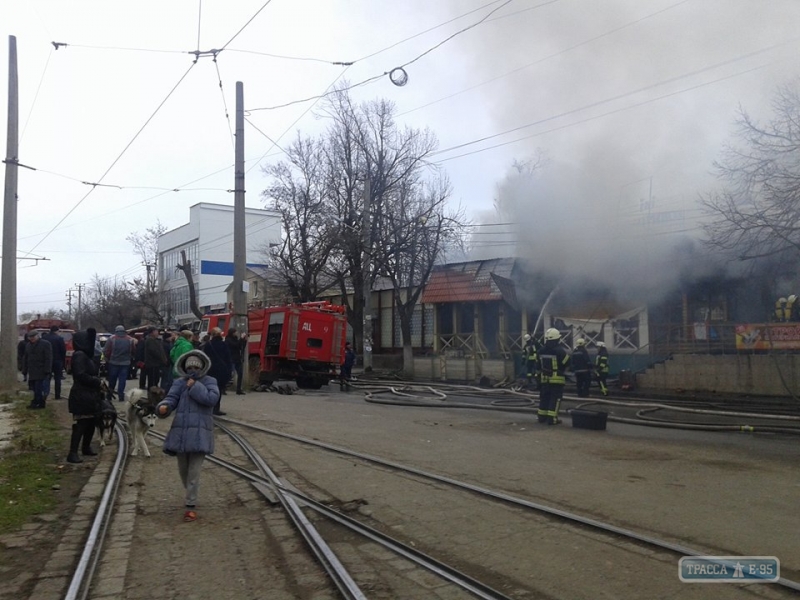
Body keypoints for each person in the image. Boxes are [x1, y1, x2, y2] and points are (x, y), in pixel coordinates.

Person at [156, 350, 220, 522]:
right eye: (190, 366)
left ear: (202, 367)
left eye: (196, 366)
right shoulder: (179, 383)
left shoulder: (210, 381)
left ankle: (190, 505)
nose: (193, 369)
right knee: (183, 471)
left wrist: (195, 386)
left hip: (200, 434)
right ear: (184, 367)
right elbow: (171, 399)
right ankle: (191, 492)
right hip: (182, 433)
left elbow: (211, 399)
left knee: (194, 472)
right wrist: (164, 407)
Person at [67, 328, 103, 463]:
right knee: (82, 423)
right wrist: (96, 381)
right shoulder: (79, 355)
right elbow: (80, 375)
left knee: (91, 422)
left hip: (89, 393)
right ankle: (72, 452)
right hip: (81, 394)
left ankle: (86, 447)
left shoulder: (85, 355)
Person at [537, 328, 569, 425]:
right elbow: (567, 363)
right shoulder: (560, 351)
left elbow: (537, 365)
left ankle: (542, 418)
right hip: (557, 380)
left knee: (544, 398)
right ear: (557, 339)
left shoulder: (541, 350)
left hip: (544, 379)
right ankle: (552, 419)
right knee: (555, 399)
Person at [203, 327, 232, 414]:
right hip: (222, 371)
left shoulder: (208, 345)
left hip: (210, 370)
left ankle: (208, 406)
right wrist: (229, 370)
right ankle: (216, 408)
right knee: (218, 389)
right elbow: (228, 358)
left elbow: (205, 357)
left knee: (209, 388)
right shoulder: (224, 345)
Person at [104, 325, 136, 402]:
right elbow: (133, 350)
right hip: (125, 363)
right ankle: (121, 396)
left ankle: (109, 395)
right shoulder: (130, 339)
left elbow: (106, 350)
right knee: (122, 380)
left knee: (112, 380)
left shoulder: (112, 338)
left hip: (113, 362)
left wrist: (107, 358)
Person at [23, 330, 52, 410]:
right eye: (30, 337)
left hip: (41, 369)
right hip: (32, 370)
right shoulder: (28, 345)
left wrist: (47, 369)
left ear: (37, 336)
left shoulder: (45, 344)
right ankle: (38, 402)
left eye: (33, 337)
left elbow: (48, 358)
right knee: (34, 388)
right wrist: (24, 369)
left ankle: (38, 402)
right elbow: (26, 358)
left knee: (39, 387)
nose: (32, 339)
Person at [42, 325, 67, 400]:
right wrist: (63, 361)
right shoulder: (59, 338)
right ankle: (57, 395)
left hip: (47, 361)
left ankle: (45, 393)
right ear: (56, 331)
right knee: (58, 378)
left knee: (46, 377)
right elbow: (63, 350)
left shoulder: (44, 338)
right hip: (57, 360)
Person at [225, 327, 247, 395]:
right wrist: (241, 338)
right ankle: (223, 388)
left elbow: (240, 347)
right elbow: (235, 345)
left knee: (240, 373)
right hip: (231, 358)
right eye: (235, 332)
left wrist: (244, 340)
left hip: (237, 358)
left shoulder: (235, 339)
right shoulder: (228, 340)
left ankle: (238, 389)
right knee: (229, 374)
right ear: (232, 333)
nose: (236, 333)